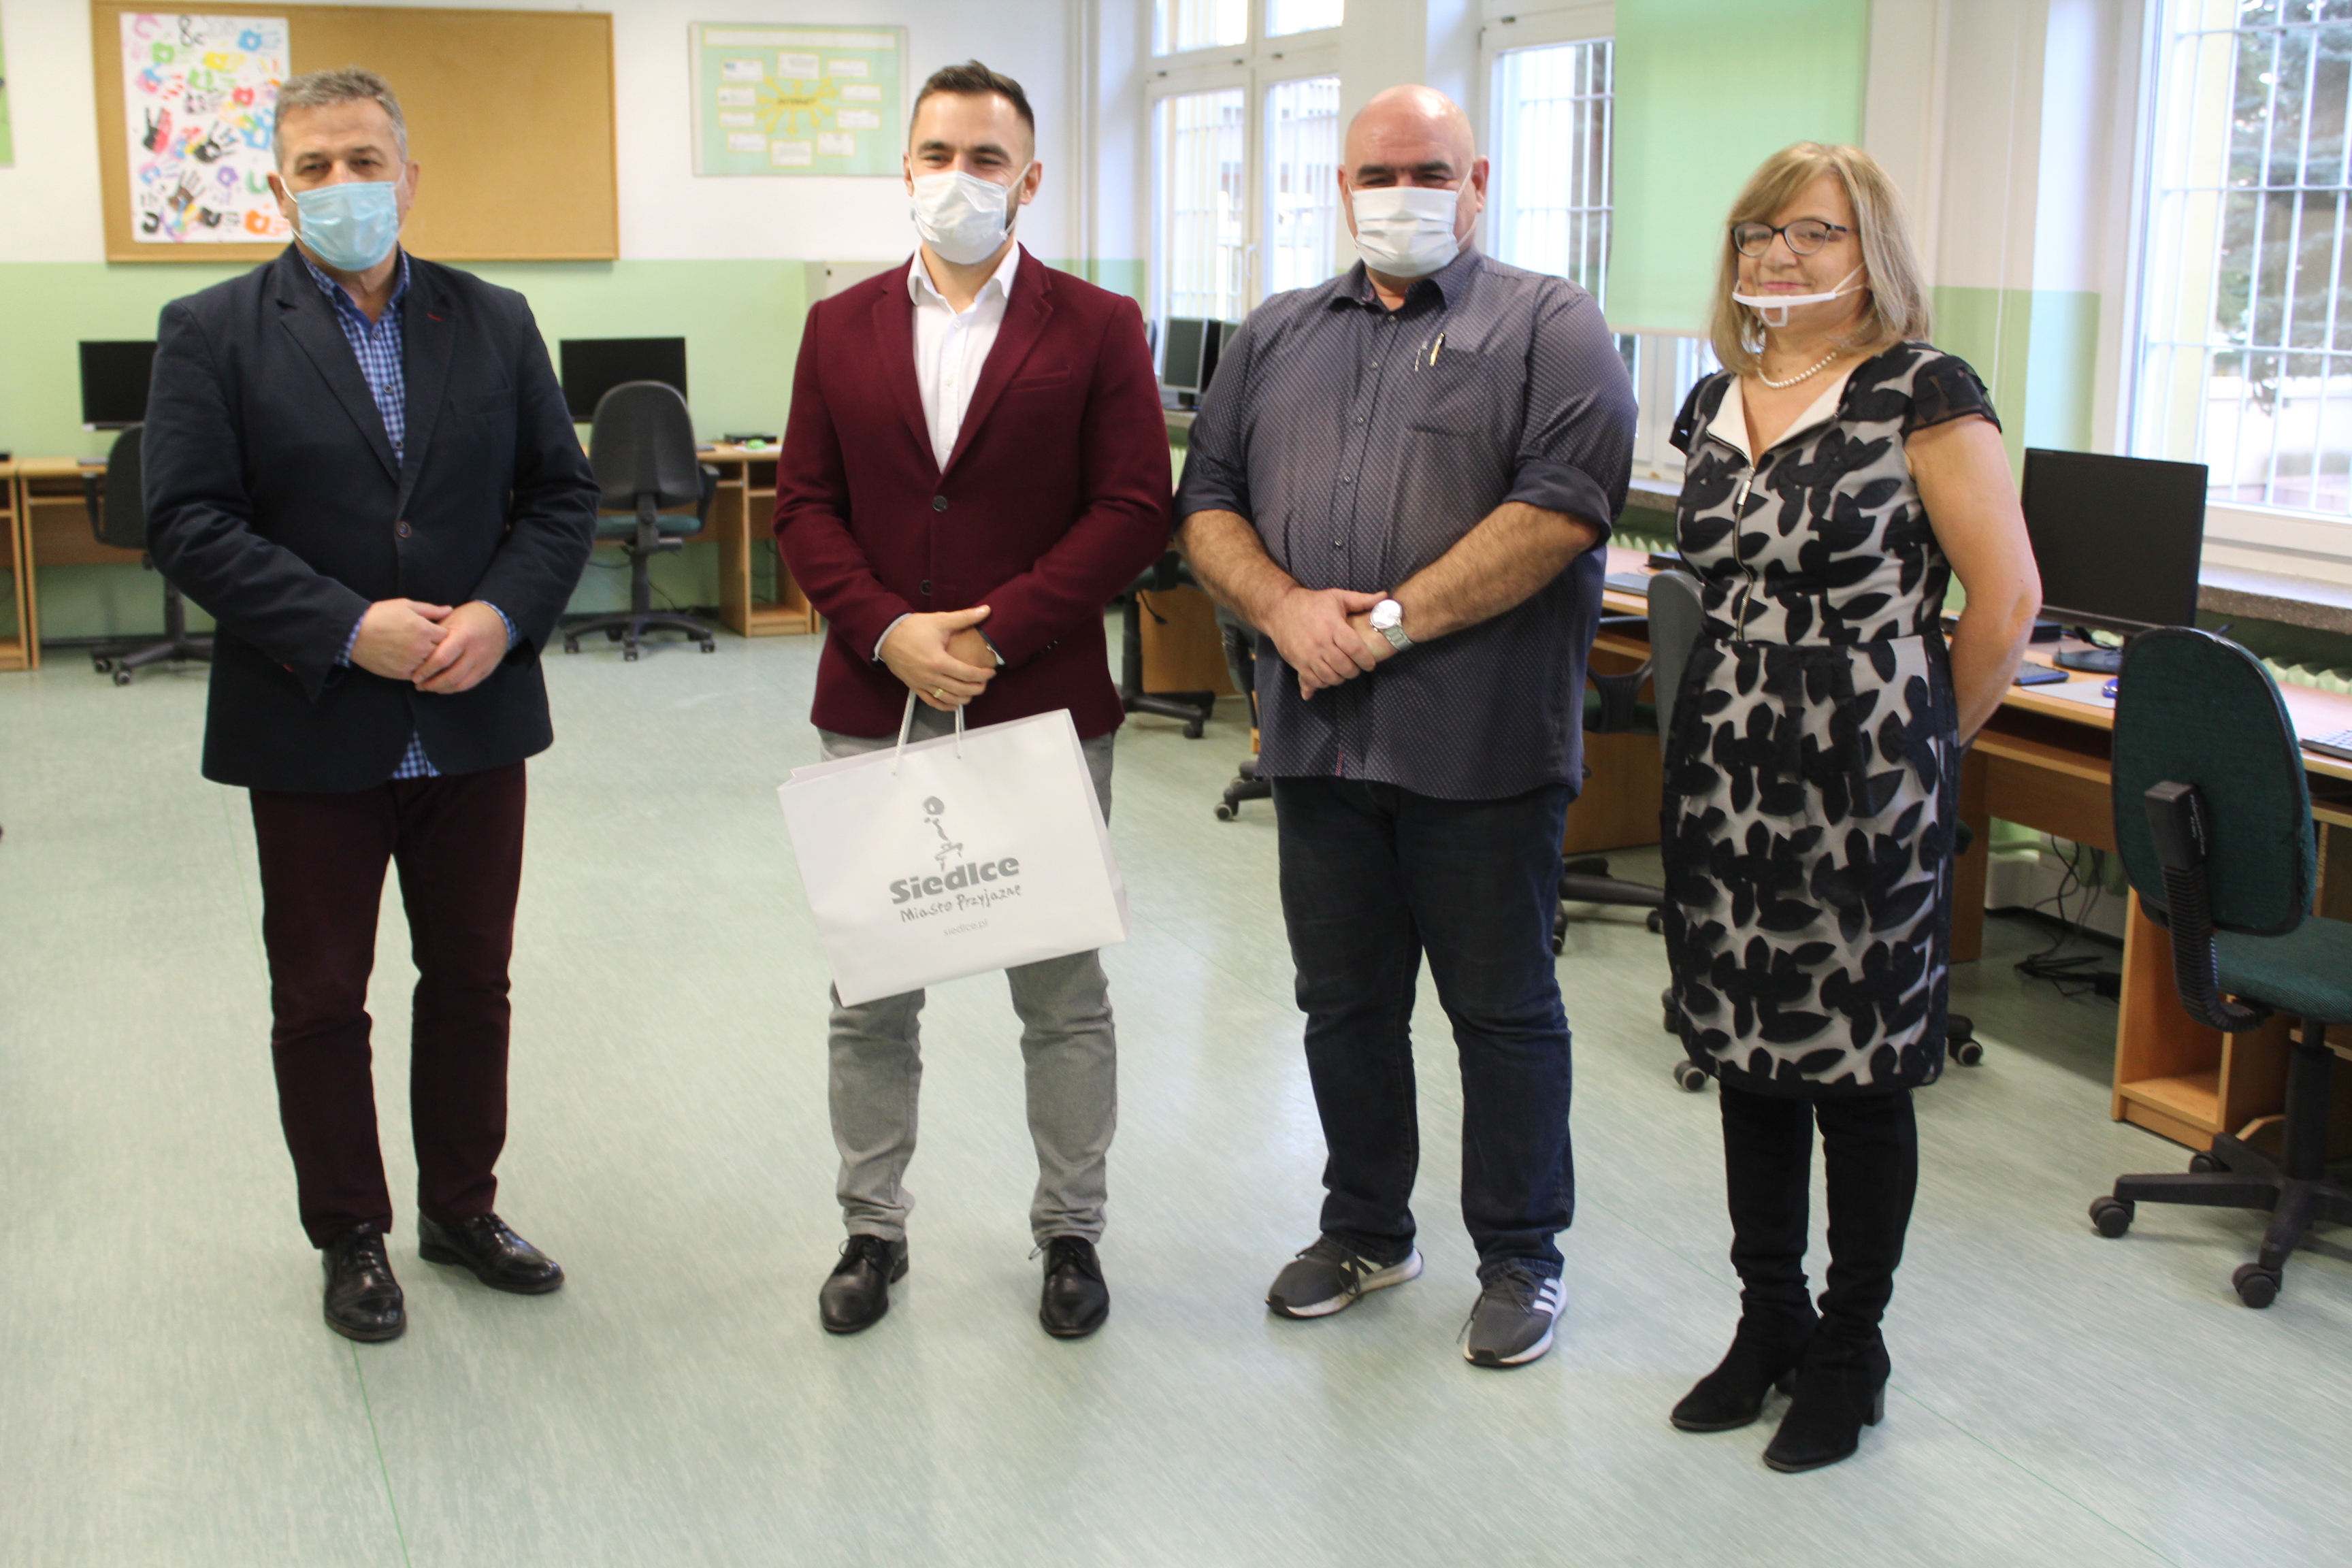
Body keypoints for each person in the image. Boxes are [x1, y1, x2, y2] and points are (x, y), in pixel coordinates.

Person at [1175, 84, 1635, 1369]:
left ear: (1477, 183)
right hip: (1318, 742)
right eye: (1377, 174)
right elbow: (1206, 501)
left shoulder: (1549, 325)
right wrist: (1282, 608)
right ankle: (1366, 1229)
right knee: (1344, 1004)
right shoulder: (1276, 334)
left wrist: (1382, 627)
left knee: (1501, 1010)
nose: (1402, 195)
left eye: (1430, 172)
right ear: (1341, 188)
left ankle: (1523, 1256)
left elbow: (1561, 509)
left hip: (1478, 745)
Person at [144, 69, 598, 1343]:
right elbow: (187, 520)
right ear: (278, 188)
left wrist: (500, 615)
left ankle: (461, 1209)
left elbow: (560, 498)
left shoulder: (493, 318)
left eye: (365, 161)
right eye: (316, 166)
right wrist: (350, 627)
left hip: (472, 717)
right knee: (320, 996)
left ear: (410, 176)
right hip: (310, 719)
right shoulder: (213, 331)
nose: (344, 184)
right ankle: (350, 1233)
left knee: (471, 980)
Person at [772, 61, 1171, 1341]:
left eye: (986, 158)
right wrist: (889, 630)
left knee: (1061, 994)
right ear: (906, 168)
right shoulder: (839, 327)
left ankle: (1071, 1231)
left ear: (1029, 179)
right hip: (874, 697)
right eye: (937, 154)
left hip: (1038, 702)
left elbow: (1133, 508)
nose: (959, 178)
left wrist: (994, 634)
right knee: (872, 992)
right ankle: (871, 1229)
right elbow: (805, 506)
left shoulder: (1098, 325)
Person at [1657, 143, 2039, 1470]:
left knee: (1859, 1075)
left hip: (1866, 777)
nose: (1779, 254)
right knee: (1745, 1059)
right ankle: (1769, 1319)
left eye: (1812, 232)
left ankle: (1850, 1348)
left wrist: (1921, 741)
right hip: (1724, 767)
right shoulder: (1715, 397)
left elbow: (2007, 603)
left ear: (1870, 250)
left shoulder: (1923, 392)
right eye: (1758, 231)